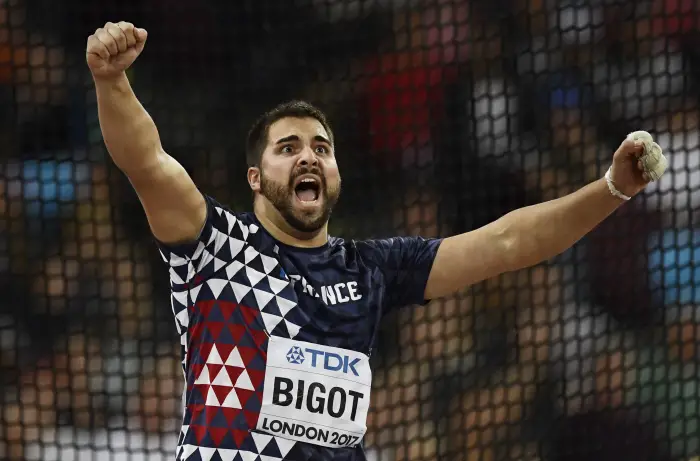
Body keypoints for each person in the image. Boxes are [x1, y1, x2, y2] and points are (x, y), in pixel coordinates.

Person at [85, 21, 662, 461]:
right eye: (287, 148)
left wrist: (611, 188)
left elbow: (509, 243)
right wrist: (112, 81)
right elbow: (149, 164)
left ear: (335, 175)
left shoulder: (372, 268)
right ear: (255, 179)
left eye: (321, 147)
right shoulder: (215, 246)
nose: (308, 154)